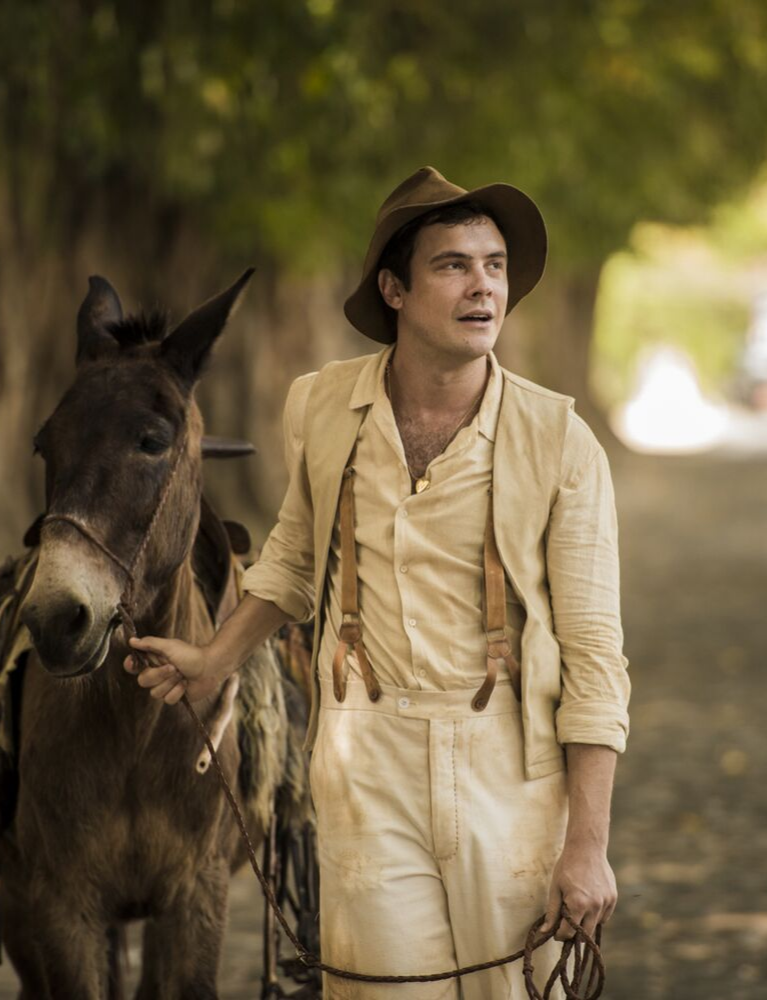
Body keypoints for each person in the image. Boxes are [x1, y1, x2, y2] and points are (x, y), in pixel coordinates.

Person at [125, 166, 630, 998]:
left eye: (495, 265)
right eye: (453, 265)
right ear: (393, 289)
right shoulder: (319, 407)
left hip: (513, 767)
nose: (482, 287)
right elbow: (293, 556)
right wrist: (215, 659)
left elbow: (595, 655)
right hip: (365, 757)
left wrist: (587, 845)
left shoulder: (560, 440)